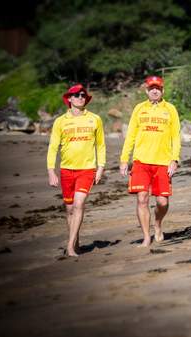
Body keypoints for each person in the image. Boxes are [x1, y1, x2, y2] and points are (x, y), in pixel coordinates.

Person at [120, 75, 181, 246]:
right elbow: (130, 135)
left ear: (163, 90)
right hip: (141, 161)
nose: (155, 91)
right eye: (152, 88)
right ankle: (147, 237)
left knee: (162, 202)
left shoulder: (170, 109)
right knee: (142, 199)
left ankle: (158, 224)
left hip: (163, 161)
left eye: (158, 88)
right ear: (147, 90)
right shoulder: (139, 109)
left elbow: (176, 136)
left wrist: (174, 159)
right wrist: (124, 159)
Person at [47, 84, 105, 256]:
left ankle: (70, 246)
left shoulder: (95, 119)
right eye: (77, 95)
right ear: (69, 99)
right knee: (70, 209)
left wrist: (100, 168)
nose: (81, 97)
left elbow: (101, 145)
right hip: (66, 170)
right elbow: (52, 147)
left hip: (87, 169)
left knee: (79, 204)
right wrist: (51, 171)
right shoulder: (60, 121)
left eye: (83, 95)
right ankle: (76, 242)